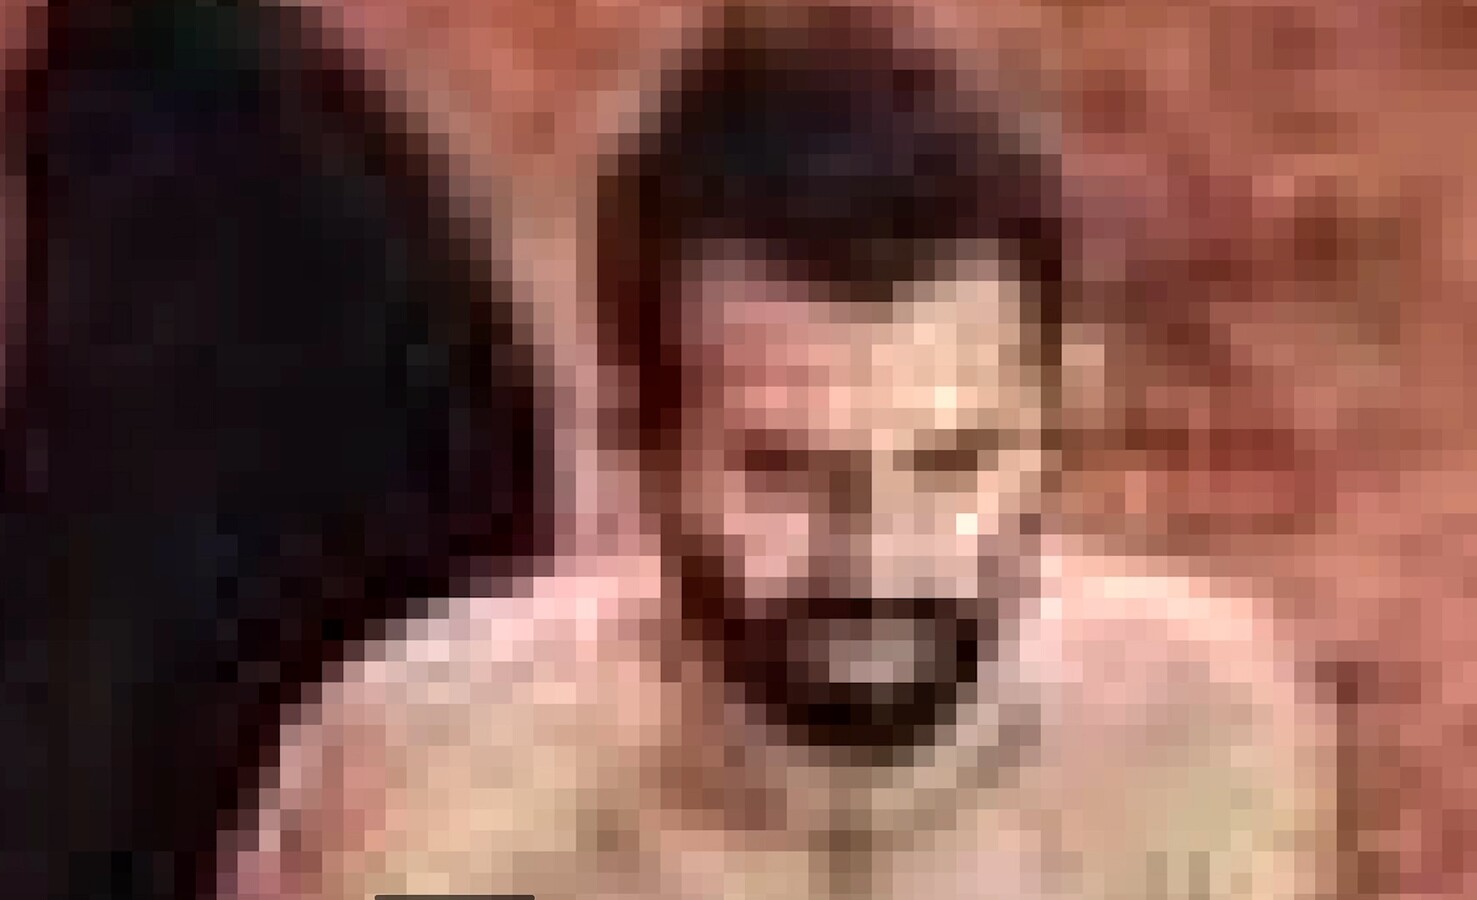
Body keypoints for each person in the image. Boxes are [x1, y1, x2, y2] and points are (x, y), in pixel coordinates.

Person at [223, 8, 1329, 899]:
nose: (878, 561)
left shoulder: (1199, 749)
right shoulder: (424, 811)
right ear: (639, 438)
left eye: (953, 464)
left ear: (1063, 408)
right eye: (786, 473)